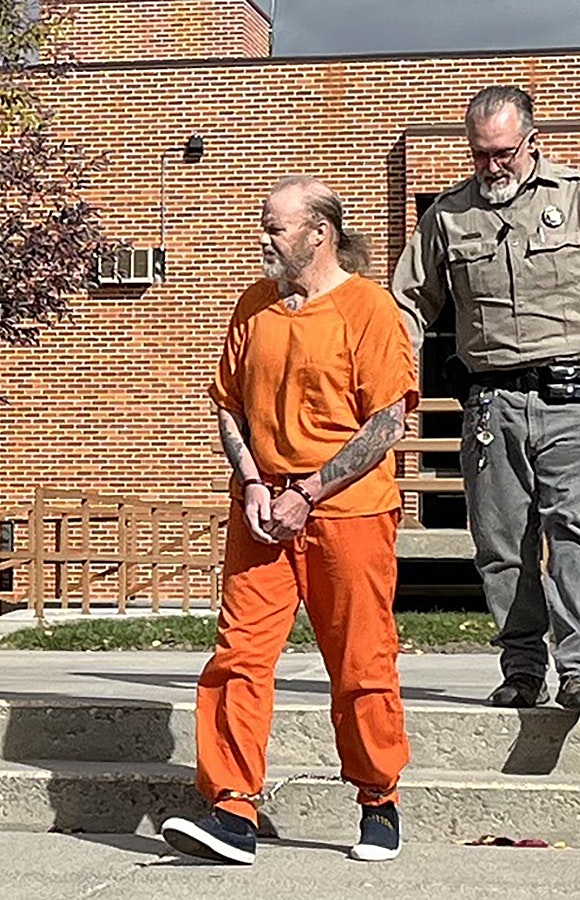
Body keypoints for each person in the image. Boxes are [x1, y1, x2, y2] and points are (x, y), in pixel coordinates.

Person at [392, 86, 580, 714]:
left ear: (532, 144)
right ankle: (522, 669)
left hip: (574, 399)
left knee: (576, 530)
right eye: (479, 154)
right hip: (490, 404)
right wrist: (393, 378)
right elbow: (408, 304)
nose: (491, 166)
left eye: (502, 152)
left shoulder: (578, 198)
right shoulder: (447, 217)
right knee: (502, 545)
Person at [160, 176, 416, 866]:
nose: (263, 238)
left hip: (349, 512)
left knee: (361, 659)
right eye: (264, 225)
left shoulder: (368, 309)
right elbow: (228, 404)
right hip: (262, 511)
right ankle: (232, 810)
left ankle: (377, 800)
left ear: (319, 233)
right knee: (238, 657)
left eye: (275, 227)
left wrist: (311, 489)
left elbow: (386, 422)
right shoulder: (254, 306)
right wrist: (250, 482)